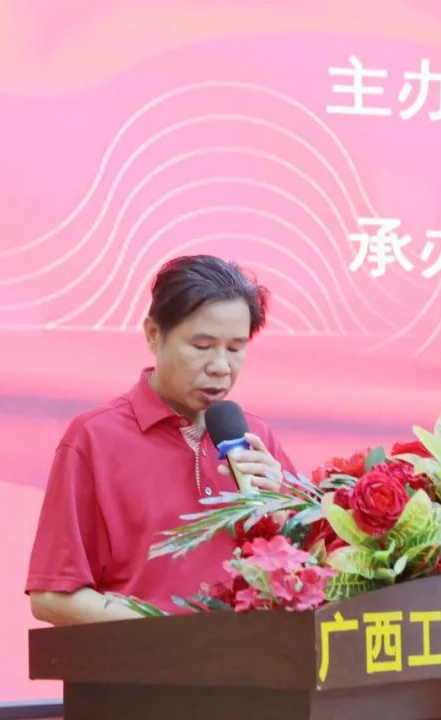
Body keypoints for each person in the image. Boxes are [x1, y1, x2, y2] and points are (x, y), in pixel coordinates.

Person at [25, 255, 295, 625]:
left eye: (235, 348)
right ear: (154, 334)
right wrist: (168, 638)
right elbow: (52, 597)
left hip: (251, 660)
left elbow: (309, 573)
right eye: (202, 346)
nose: (221, 366)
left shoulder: (255, 438)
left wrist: (284, 514)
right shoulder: (95, 439)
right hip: (143, 659)